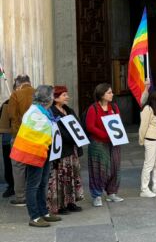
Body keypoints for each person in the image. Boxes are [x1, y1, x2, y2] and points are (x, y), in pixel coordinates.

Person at [10, 85, 62, 227]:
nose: (53, 98)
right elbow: (34, 134)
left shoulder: (43, 111)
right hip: (34, 153)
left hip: (43, 151)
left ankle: (43, 212)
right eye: (52, 95)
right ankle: (34, 216)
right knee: (33, 185)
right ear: (47, 99)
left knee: (42, 183)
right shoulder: (35, 112)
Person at [47, 86, 84, 214]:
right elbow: (58, 132)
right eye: (64, 95)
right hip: (61, 150)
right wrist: (73, 138)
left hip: (72, 149)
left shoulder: (69, 110)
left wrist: (78, 139)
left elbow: (77, 126)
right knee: (61, 176)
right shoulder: (51, 112)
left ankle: (71, 202)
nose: (67, 97)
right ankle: (60, 205)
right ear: (56, 98)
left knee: (71, 175)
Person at [86, 83, 124, 206]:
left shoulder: (114, 107)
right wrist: (105, 135)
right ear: (101, 95)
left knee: (114, 167)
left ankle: (111, 192)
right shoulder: (93, 108)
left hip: (114, 142)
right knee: (99, 169)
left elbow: (118, 122)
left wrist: (118, 135)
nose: (112, 94)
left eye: (111, 92)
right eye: (109, 92)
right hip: (98, 143)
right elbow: (90, 126)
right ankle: (97, 195)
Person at [8, 74, 35, 206]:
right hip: (38, 135)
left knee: (19, 166)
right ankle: (36, 194)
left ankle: (21, 197)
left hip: (21, 135)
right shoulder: (38, 92)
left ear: (18, 84)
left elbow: (12, 116)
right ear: (29, 82)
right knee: (36, 165)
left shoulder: (16, 95)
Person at [138, 90, 156, 197]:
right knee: (148, 164)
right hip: (150, 140)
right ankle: (144, 189)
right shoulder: (147, 109)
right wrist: (141, 140)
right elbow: (143, 126)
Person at [1, 88, 14, 198]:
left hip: (20, 137)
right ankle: (11, 185)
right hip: (8, 138)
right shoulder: (6, 103)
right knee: (8, 163)